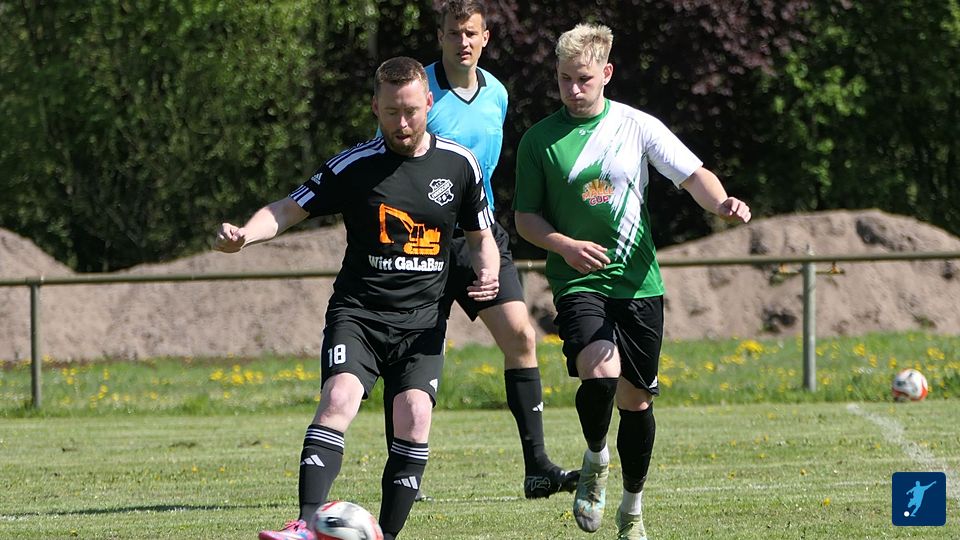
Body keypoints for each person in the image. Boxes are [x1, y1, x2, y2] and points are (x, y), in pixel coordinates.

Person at [214, 56, 500, 540]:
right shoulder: (354, 165)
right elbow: (288, 209)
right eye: (391, 112)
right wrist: (245, 235)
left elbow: (481, 235)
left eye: (411, 111)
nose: (402, 123)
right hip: (360, 315)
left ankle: (385, 535)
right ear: (375, 108)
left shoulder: (459, 164)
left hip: (422, 323)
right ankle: (305, 526)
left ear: (429, 103)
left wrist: (487, 270)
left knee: (415, 417)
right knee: (339, 398)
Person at [513, 23, 752, 540]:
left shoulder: (637, 126)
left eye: (583, 79)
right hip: (579, 280)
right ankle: (596, 460)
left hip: (639, 284)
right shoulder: (539, 140)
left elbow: (692, 175)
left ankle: (632, 508)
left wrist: (722, 203)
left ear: (607, 73)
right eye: (564, 79)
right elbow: (525, 218)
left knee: (636, 401)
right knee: (599, 370)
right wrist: (564, 246)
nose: (573, 89)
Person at [382, 0, 577, 500]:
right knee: (412, 353)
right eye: (453, 33)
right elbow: (389, 156)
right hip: (421, 240)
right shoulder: (417, 90)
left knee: (521, 336)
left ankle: (538, 468)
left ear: (485, 37)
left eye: (471, 33)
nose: (462, 42)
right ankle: (404, 475)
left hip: (481, 235)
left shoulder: (497, 93)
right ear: (440, 36)